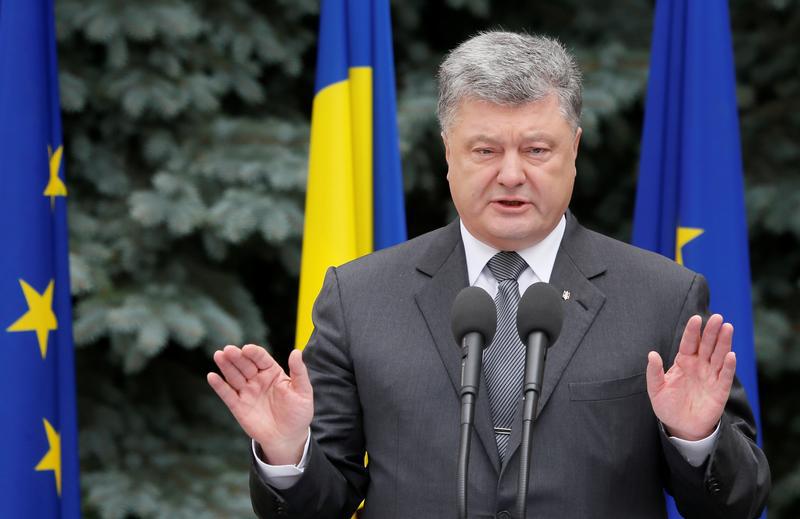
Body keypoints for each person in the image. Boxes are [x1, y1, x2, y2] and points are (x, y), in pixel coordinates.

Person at [207, 32, 770, 518]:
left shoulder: (662, 297)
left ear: (573, 150)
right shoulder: (359, 298)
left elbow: (737, 507)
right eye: (484, 149)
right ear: (448, 152)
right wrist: (287, 453)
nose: (510, 174)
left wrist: (697, 439)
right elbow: (322, 505)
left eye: (536, 149)